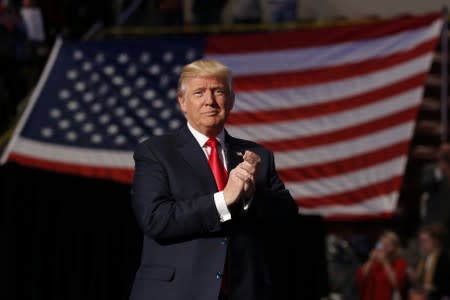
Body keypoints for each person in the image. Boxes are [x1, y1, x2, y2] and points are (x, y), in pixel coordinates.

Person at [129, 59, 298, 300]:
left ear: (231, 100)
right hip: (176, 292)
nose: (210, 100)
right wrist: (223, 200)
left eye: (218, 91)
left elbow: (288, 218)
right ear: (182, 102)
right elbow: (155, 219)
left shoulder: (257, 156)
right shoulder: (156, 152)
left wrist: (251, 197)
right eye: (199, 92)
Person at [356, 231, 407, 300]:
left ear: (393, 247)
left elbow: (397, 283)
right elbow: (361, 277)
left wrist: (385, 262)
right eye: (381, 244)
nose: (383, 247)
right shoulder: (374, 263)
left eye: (387, 245)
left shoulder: (399, 263)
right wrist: (370, 261)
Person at [408, 225, 450, 300]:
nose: (422, 244)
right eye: (421, 241)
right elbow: (420, 282)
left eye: (425, 240)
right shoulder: (423, 259)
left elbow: (446, 284)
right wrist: (414, 278)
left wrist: (434, 287)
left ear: (435, 241)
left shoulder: (444, 258)